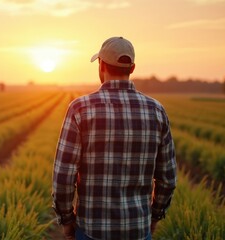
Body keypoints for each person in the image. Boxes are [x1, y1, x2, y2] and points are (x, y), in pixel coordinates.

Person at [52, 36, 177, 240]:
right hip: (138, 229)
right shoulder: (156, 111)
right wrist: (154, 217)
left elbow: (63, 176)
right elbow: (167, 178)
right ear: (132, 68)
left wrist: (66, 221)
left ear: (101, 65)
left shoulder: (80, 109)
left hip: (92, 231)